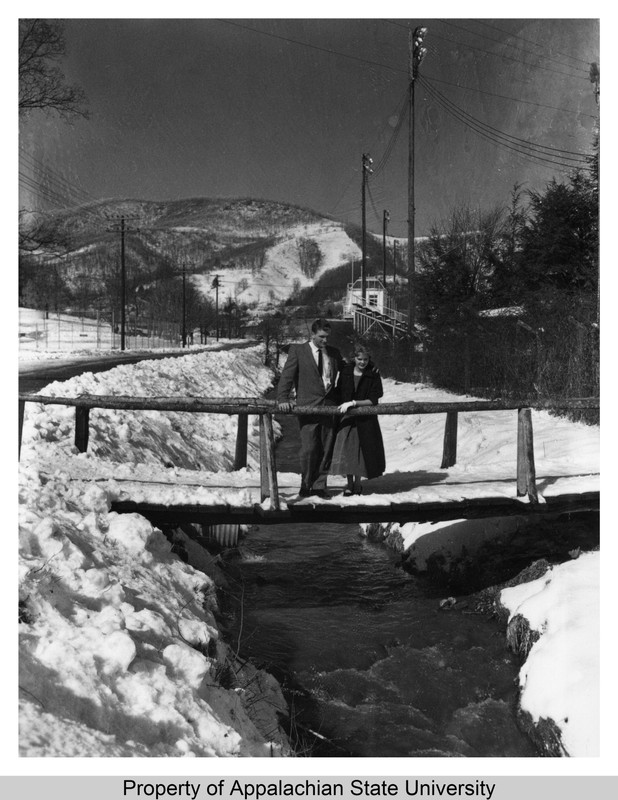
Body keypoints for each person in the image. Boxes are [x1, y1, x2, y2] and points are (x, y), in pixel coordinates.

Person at [277, 318, 345, 498]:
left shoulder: (334, 353)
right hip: (307, 407)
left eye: (327, 337)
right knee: (309, 448)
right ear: (312, 334)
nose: (325, 340)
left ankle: (319, 485)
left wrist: (368, 370)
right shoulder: (298, 351)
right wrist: (283, 398)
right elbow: (287, 377)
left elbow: (346, 374)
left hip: (329, 407)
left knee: (326, 447)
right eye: (322, 337)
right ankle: (306, 484)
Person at [330, 344, 385, 495]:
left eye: (365, 359)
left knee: (361, 451)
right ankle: (349, 484)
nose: (362, 362)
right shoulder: (346, 371)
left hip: (365, 419)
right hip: (347, 418)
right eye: (359, 359)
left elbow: (374, 399)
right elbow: (338, 391)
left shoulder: (372, 374)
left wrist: (354, 403)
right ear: (354, 358)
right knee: (347, 451)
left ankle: (358, 484)